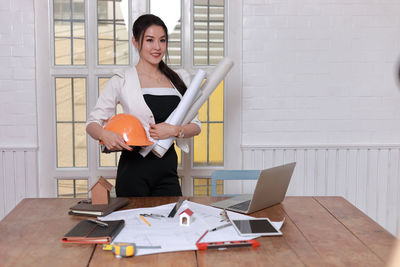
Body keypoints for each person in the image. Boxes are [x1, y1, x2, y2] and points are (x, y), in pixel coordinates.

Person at [86, 14, 201, 197]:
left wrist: (174, 130)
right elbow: (92, 123)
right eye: (149, 40)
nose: (157, 47)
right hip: (133, 171)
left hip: (168, 170)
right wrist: (104, 134)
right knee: (133, 224)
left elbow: (196, 126)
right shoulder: (122, 80)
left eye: (162, 40)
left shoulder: (179, 79)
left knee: (171, 223)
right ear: (135, 42)